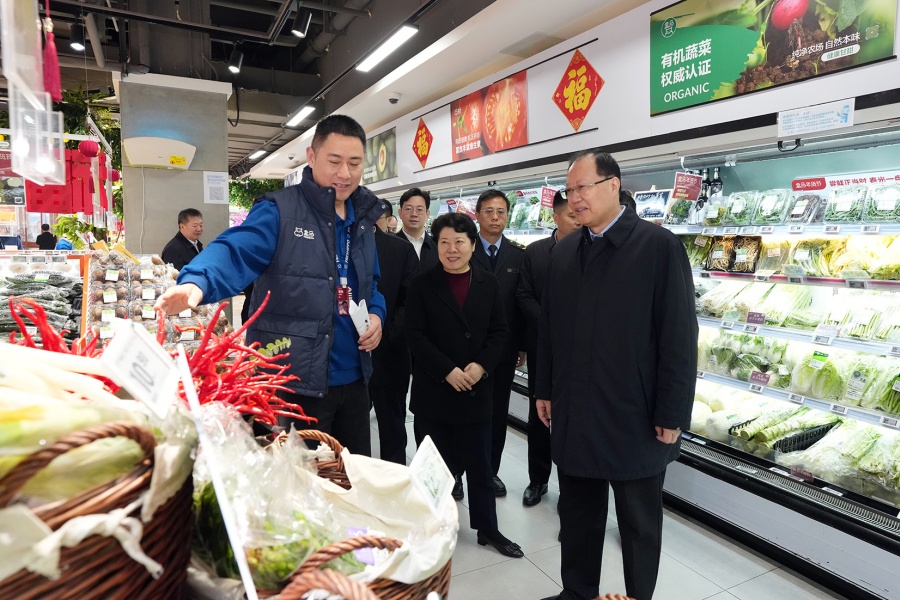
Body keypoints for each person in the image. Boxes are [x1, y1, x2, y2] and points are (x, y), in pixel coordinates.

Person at [156, 114, 387, 456]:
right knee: (299, 479)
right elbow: (235, 248)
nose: (345, 173)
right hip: (294, 381)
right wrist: (198, 281)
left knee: (351, 473)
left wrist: (377, 314)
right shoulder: (280, 210)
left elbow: (371, 284)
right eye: (334, 161)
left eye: (354, 163)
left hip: (354, 378)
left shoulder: (363, 219)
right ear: (311, 157)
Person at [536, 150, 697, 600]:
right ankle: (577, 592)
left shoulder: (658, 247)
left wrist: (672, 411)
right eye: (569, 190)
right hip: (575, 407)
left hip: (635, 414)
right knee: (578, 513)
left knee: (639, 524)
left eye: (583, 188)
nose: (574, 198)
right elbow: (549, 329)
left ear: (613, 185)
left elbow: (679, 337)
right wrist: (544, 388)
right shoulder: (565, 251)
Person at [405, 212, 522, 559]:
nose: (451, 249)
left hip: (476, 390)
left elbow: (500, 331)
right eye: (444, 242)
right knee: (432, 470)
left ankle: (488, 528)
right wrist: (447, 370)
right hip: (434, 391)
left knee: (481, 467)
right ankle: (430, 528)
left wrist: (482, 365)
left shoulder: (488, 283)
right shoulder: (422, 284)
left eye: (459, 241)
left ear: (472, 245)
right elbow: (415, 335)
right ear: (436, 245)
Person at [515, 190, 580, 507]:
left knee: (574, 418)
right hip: (543, 346)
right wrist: (550, 323)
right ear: (555, 217)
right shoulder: (536, 252)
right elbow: (524, 294)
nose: (578, 221)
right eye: (571, 216)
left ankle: (573, 488)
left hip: (579, 350)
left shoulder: (591, 249)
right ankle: (538, 479)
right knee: (539, 413)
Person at [470, 189, 525, 499]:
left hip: (503, 351)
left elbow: (520, 304)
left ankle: (491, 471)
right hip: (467, 350)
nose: (495, 217)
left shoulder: (518, 256)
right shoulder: (465, 248)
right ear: (477, 215)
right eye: (489, 211)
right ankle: (459, 471)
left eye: (501, 212)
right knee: (465, 411)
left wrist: (522, 345)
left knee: (497, 412)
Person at [369, 203, 419, 464]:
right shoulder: (335, 245)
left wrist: (387, 334)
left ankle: (395, 475)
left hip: (391, 352)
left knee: (392, 424)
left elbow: (412, 300)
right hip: (346, 355)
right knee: (349, 426)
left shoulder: (400, 249)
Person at [396, 188, 439, 271]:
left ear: (427, 214)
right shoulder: (389, 245)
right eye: (408, 209)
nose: (414, 214)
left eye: (419, 210)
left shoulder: (437, 246)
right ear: (400, 213)